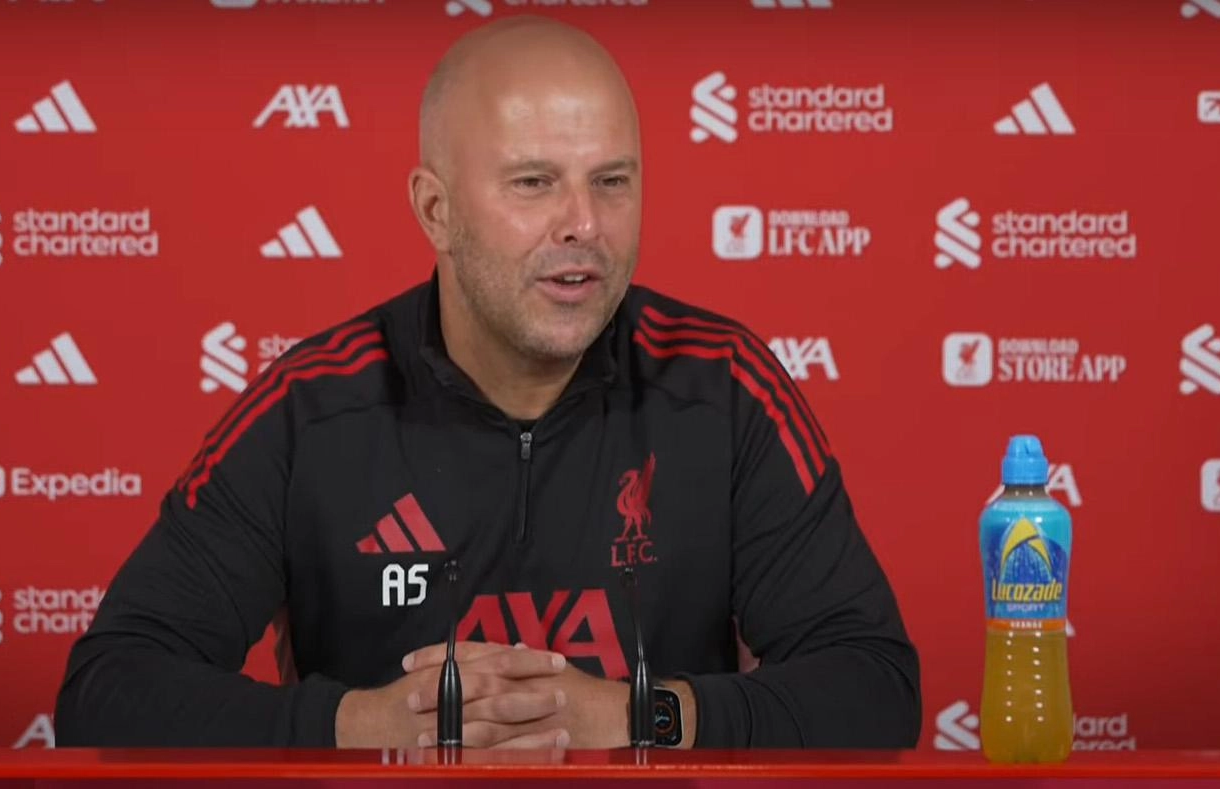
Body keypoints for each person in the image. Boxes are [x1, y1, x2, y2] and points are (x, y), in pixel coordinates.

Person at [54, 16, 921, 750]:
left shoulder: (721, 385)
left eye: (611, 182)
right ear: (435, 210)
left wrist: (635, 713)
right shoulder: (310, 407)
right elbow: (107, 689)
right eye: (533, 183)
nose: (583, 223)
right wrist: (369, 724)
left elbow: (873, 685)